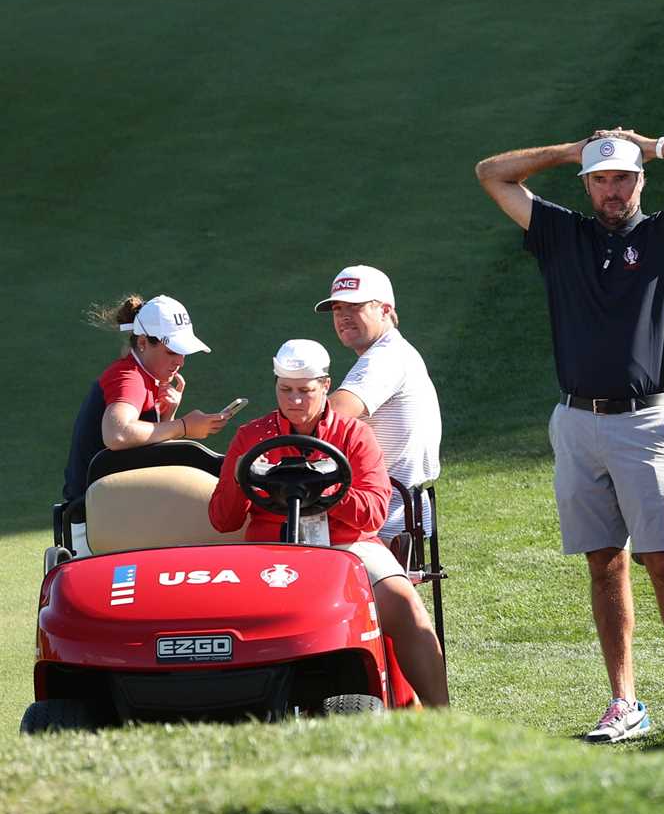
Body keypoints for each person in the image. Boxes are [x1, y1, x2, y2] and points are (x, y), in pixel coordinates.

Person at [475, 128, 664, 741]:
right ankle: (625, 701)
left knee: (663, 561)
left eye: (622, 177)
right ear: (587, 185)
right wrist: (571, 151)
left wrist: (654, 144)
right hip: (574, 422)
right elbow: (493, 171)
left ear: (640, 181)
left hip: (645, 421)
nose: (612, 189)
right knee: (603, 564)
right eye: (600, 179)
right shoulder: (559, 233)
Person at [208, 339, 448, 706]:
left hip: (349, 544)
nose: (294, 400)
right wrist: (241, 479)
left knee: (406, 605)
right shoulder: (251, 437)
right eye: (285, 390)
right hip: (271, 547)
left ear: (325, 386)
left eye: (305, 391)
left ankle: (441, 716)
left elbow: (373, 513)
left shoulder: (354, 435)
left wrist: (324, 490)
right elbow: (222, 520)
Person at [63, 294, 228, 554]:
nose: (180, 361)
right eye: (172, 351)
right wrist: (184, 427)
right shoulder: (128, 377)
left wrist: (167, 417)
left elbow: (144, 458)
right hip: (97, 525)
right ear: (142, 343)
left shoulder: (143, 376)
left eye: (183, 353)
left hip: (113, 515)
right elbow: (117, 434)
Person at [314, 264, 442, 543]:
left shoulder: (385, 358)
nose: (343, 317)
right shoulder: (390, 354)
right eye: (338, 309)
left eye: (355, 307)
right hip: (392, 509)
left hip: (382, 519)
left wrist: (268, 433)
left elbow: (326, 416)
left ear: (385, 310)